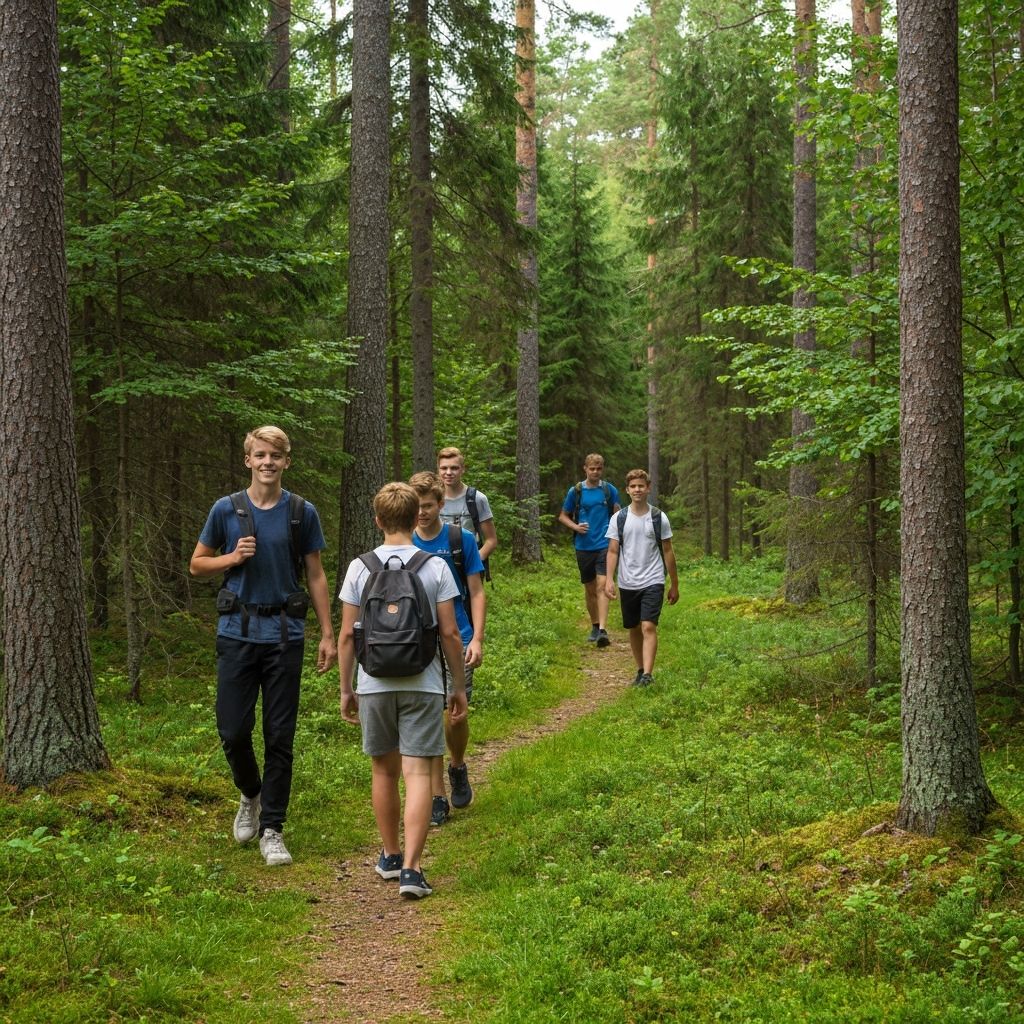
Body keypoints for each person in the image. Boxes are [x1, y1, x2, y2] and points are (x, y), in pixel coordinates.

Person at [190, 426, 337, 867]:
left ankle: (272, 828)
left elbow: (315, 575)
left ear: (286, 461)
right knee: (233, 731)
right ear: (248, 460)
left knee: (279, 735)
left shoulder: (301, 512)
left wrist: (327, 633)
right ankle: (250, 793)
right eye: (260, 455)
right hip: (236, 633)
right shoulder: (226, 509)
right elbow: (197, 564)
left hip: (284, 637)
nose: (268, 462)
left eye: (275, 455)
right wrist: (232, 558)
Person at [337, 482, 468, 899]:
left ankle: (391, 856)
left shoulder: (359, 567)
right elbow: (450, 633)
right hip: (423, 683)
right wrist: (457, 686)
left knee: (383, 771)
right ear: (416, 519)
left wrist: (346, 688)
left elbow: (347, 635)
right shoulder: (435, 567)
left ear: (378, 520)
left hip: (373, 683)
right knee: (417, 774)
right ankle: (412, 869)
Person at [409, 471, 486, 824]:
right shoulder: (404, 541)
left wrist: (478, 638)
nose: (421, 513)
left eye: (427, 506)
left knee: (456, 714)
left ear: (441, 504)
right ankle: (437, 794)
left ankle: (457, 764)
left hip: (458, 636)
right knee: (429, 715)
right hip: (416, 641)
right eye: (416, 506)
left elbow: (476, 591)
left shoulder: (460, 539)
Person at [603, 468, 679, 686]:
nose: (637, 490)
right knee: (634, 627)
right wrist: (609, 579)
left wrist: (674, 584)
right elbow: (613, 551)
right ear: (627, 490)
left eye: (641, 486)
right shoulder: (619, 518)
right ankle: (639, 670)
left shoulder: (658, 517)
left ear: (648, 489)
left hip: (653, 579)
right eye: (633, 486)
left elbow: (668, 551)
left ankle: (647, 674)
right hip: (628, 581)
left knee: (648, 626)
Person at [557, 453, 621, 647]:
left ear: (602, 469)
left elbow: (618, 514)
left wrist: (617, 536)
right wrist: (575, 527)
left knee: (602, 585)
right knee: (590, 588)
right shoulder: (576, 491)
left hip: (604, 544)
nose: (595, 472)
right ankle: (594, 625)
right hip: (583, 546)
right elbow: (563, 516)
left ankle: (602, 630)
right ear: (585, 468)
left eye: (598, 469)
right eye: (592, 468)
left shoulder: (609, 490)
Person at [436, 447, 498, 574]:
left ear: (463, 469)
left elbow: (491, 540)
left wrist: (474, 561)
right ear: (438, 469)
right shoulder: (431, 500)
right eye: (444, 468)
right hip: (437, 568)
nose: (448, 472)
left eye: (454, 468)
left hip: (468, 569)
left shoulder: (477, 499)